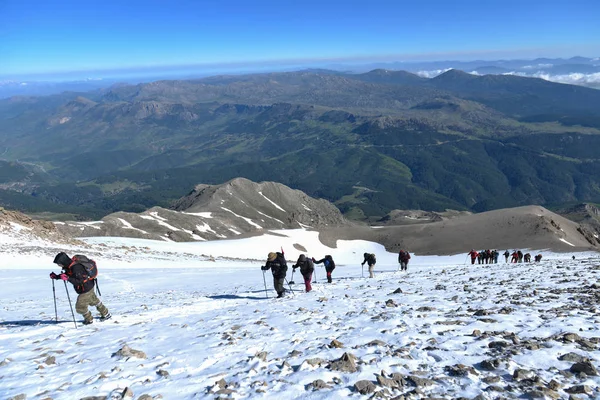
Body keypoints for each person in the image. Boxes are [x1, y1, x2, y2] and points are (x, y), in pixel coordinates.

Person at [50, 252, 110, 325]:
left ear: (63, 261)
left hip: (86, 288)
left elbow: (80, 281)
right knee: (93, 300)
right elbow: (68, 275)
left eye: (59, 263)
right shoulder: (69, 266)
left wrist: (68, 278)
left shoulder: (76, 267)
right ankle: (106, 313)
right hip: (89, 286)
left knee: (80, 307)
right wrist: (57, 277)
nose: (58, 265)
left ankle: (89, 319)